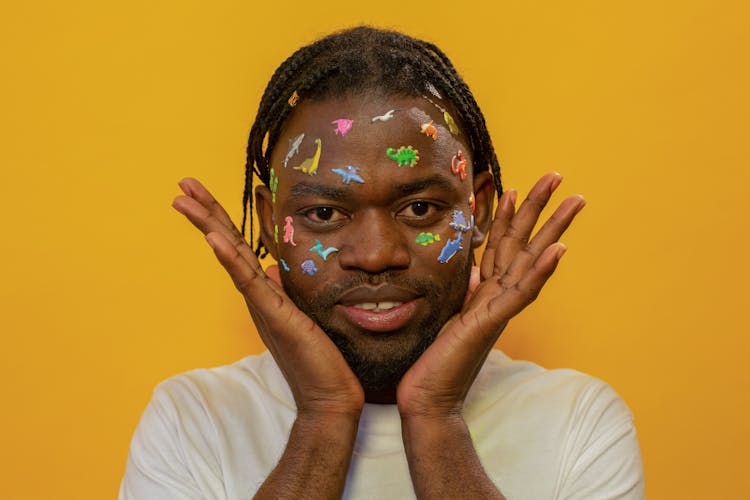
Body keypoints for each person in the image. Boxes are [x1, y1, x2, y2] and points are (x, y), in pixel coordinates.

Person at [120, 26, 644, 499]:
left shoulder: (578, 420)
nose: (376, 255)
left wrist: (435, 418)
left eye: (420, 208)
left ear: (477, 209)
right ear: (268, 224)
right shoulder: (193, 421)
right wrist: (323, 416)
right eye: (324, 212)